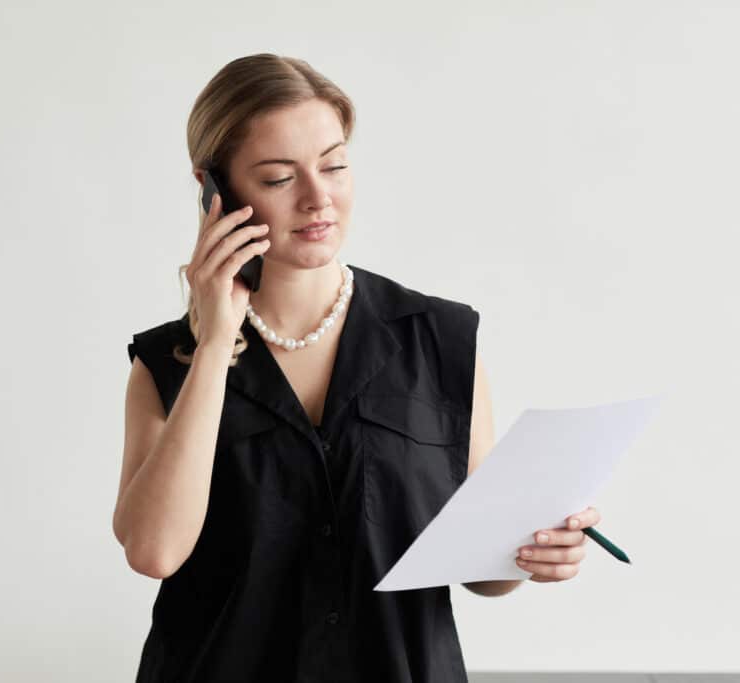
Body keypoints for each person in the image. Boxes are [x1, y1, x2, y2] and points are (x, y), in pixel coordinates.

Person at [113, 53, 600, 683]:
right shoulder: (167, 364)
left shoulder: (440, 340)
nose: (319, 198)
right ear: (215, 191)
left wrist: (536, 552)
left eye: (335, 165)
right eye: (279, 178)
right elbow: (153, 552)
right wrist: (213, 345)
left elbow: (484, 571)